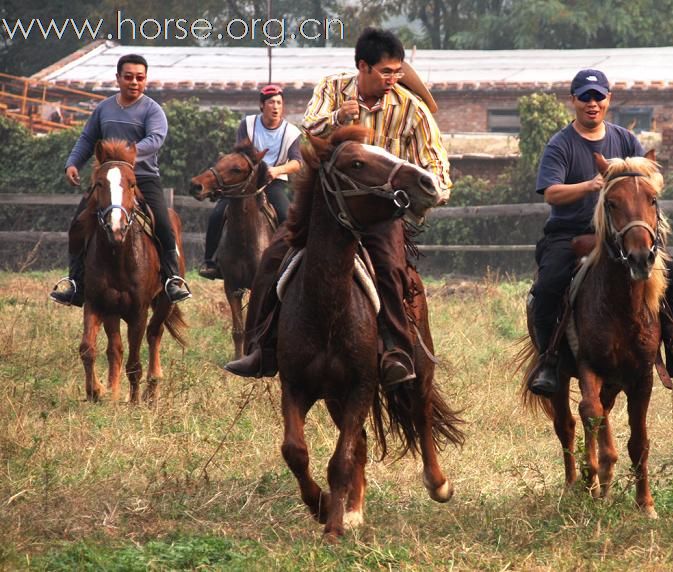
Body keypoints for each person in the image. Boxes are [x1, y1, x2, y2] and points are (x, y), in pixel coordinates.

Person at [224, 27, 451, 384]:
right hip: (326, 204)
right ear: (363, 66)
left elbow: (436, 163)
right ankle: (261, 348)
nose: (395, 79)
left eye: (398, 71)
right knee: (273, 257)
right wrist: (337, 120)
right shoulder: (332, 88)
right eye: (386, 72)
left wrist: (433, 191)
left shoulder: (413, 110)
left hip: (379, 211)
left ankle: (395, 350)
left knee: (391, 269)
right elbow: (308, 132)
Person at [528, 68, 673, 397]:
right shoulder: (560, 144)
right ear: (573, 101)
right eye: (585, 97)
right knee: (547, 288)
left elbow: (646, 182)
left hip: (622, 232)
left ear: (608, 99)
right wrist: (591, 185)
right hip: (571, 234)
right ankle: (549, 361)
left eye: (598, 96)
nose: (592, 103)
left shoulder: (626, 140)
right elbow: (551, 192)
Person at [51, 53, 191, 306]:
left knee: (164, 224)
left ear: (146, 80)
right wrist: (72, 163)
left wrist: (128, 155)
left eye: (140, 78)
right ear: (118, 78)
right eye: (128, 77)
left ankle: (171, 280)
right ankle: (76, 283)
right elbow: (86, 139)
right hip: (107, 181)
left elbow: (155, 140)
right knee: (79, 224)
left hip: (142, 178)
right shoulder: (104, 108)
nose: (134, 82)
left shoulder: (153, 110)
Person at [198, 84, 302, 280]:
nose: (276, 107)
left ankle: (291, 263)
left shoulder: (292, 132)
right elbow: (239, 153)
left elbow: (297, 162)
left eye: (279, 103)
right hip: (245, 182)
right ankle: (210, 262)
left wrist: (276, 170)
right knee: (218, 214)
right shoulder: (248, 124)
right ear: (262, 105)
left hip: (273, 181)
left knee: (287, 217)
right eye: (271, 102)